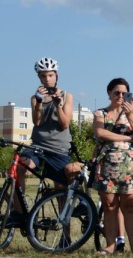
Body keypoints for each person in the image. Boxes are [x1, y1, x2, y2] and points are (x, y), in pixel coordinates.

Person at [9, 58, 82, 225]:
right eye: (43, 76)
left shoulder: (67, 96)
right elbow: (37, 122)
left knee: (60, 190)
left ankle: (65, 236)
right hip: (37, 147)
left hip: (58, 149)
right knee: (18, 167)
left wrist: (58, 104)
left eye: (50, 75)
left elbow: (64, 124)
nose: (47, 79)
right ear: (39, 78)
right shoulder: (35, 98)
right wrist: (39, 103)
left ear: (56, 75)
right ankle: (19, 212)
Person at [92, 78, 133, 255]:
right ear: (109, 93)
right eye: (116, 92)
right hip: (107, 164)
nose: (120, 96)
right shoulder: (100, 113)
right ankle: (110, 245)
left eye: (124, 93)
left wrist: (130, 115)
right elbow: (100, 132)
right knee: (109, 206)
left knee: (130, 206)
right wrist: (127, 138)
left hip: (129, 165)